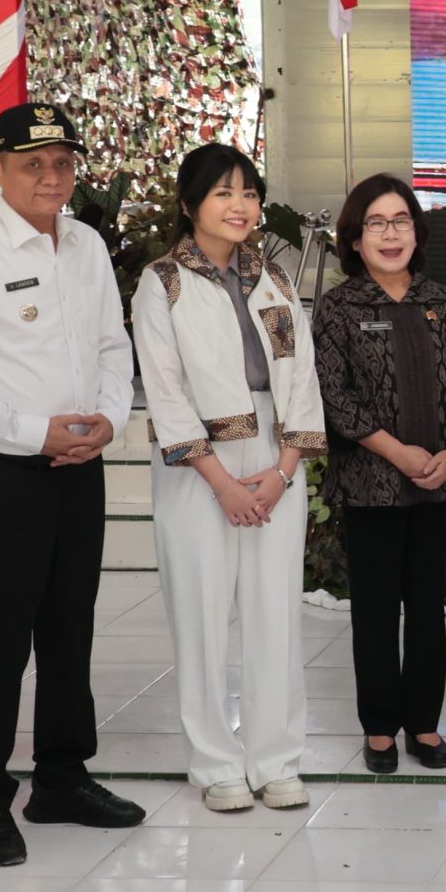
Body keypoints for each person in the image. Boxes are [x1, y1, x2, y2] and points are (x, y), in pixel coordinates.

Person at [0, 102, 147, 867]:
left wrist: (109, 420)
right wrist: (30, 431)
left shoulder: (87, 247)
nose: (50, 176)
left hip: (80, 469)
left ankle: (61, 780)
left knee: (70, 630)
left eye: (62, 162)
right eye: (32, 163)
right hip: (2, 476)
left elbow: (113, 346)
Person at [132, 143, 327, 811]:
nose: (240, 205)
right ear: (190, 205)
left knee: (276, 615)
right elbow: (164, 392)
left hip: (275, 455)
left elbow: (302, 375)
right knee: (202, 614)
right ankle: (216, 764)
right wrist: (221, 482)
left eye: (249, 192)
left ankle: (277, 760)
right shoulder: (162, 282)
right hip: (197, 466)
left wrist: (284, 471)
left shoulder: (273, 277)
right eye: (223, 193)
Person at [312, 173, 446, 773]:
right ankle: (380, 727)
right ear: (354, 239)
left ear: (417, 231)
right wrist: (399, 454)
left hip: (439, 481)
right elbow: (335, 398)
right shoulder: (340, 307)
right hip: (372, 486)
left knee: (428, 607)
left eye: (400, 221)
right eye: (376, 224)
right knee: (374, 610)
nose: (390, 235)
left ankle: (425, 723)